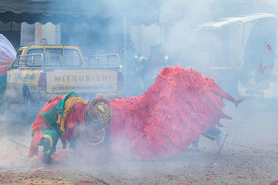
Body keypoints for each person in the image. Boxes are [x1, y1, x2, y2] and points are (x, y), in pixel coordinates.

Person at [29, 64, 241, 164]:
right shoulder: (69, 111)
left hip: (126, 112)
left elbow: (50, 141)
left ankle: (214, 134)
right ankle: (207, 134)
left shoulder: (67, 112)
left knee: (163, 115)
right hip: (120, 112)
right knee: (167, 116)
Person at [0, 34, 16, 119]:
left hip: (2, 77)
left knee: (1, 97)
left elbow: (11, 57)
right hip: (2, 76)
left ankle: (1, 115)